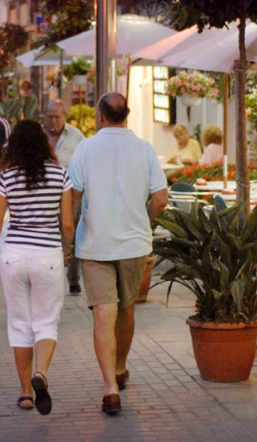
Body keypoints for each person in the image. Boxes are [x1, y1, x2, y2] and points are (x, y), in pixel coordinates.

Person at [68, 93, 168, 415]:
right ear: (128, 114)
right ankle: (121, 366)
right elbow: (161, 199)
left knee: (102, 315)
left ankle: (110, 387)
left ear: (100, 115)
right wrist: (145, 220)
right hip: (134, 244)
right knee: (126, 309)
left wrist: (69, 236)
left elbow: (73, 195)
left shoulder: (85, 148)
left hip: (95, 244)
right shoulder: (145, 148)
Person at [0, 120, 74, 415]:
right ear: (44, 143)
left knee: (19, 325)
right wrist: (67, 251)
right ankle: (42, 373)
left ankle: (24, 394)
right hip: (48, 254)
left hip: (14, 255)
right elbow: (67, 223)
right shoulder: (61, 175)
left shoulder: (6, 177)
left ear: (14, 146)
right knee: (46, 321)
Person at [43, 99, 85, 295]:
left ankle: (73, 277)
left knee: (72, 233)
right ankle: (50, 277)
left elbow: (85, 164)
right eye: (49, 117)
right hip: (43, 195)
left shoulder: (76, 137)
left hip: (71, 195)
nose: (53, 121)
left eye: (57, 117)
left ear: (64, 116)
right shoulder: (38, 136)